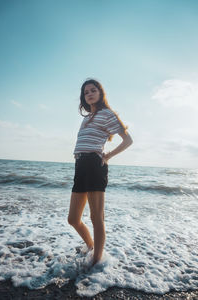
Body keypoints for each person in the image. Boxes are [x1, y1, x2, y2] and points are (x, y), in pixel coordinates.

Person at [68, 78, 133, 266]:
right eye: (86, 92)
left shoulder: (107, 114)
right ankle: (90, 246)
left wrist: (109, 155)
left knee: (96, 217)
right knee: (73, 219)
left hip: (95, 166)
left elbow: (128, 140)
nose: (89, 94)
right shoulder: (86, 118)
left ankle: (96, 261)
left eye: (93, 90)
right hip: (80, 166)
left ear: (100, 92)